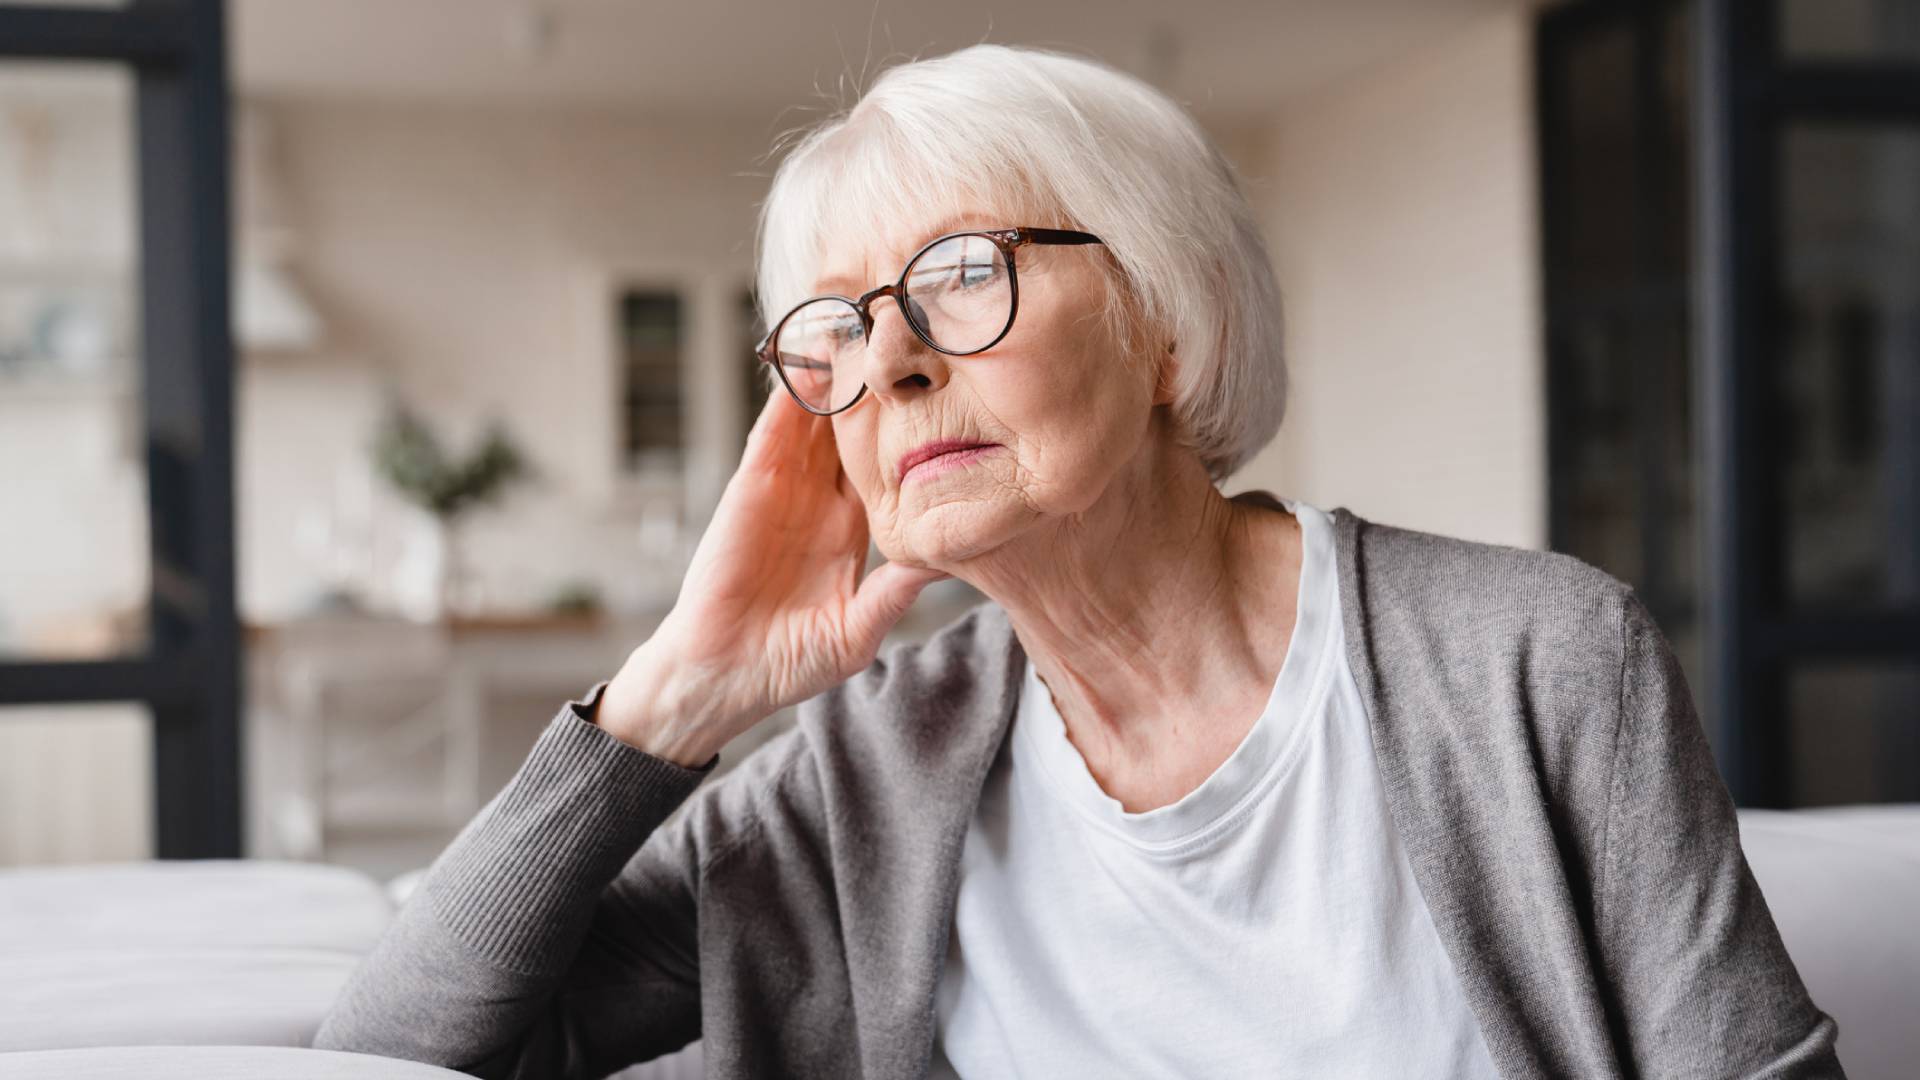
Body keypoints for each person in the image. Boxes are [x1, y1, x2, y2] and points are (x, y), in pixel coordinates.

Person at [314, 43, 1843, 1079]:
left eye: (962, 274)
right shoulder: (862, 774)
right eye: (839, 327)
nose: (893, 359)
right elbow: (393, 1052)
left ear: (1164, 323)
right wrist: (671, 701)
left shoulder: (1540, 661)